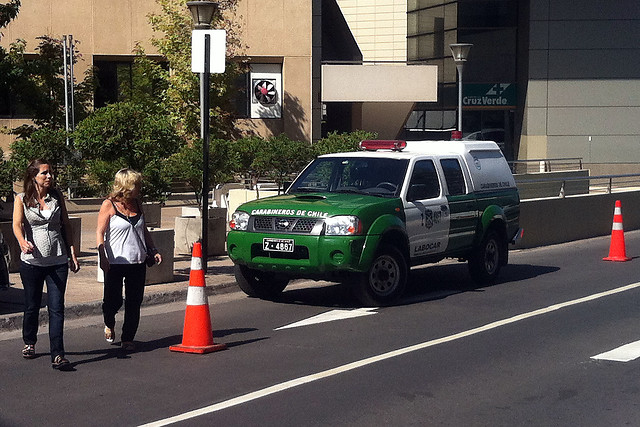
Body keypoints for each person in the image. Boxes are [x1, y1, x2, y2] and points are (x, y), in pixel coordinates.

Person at [12, 159, 80, 370]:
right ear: (34, 177)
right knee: (32, 305)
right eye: (44, 173)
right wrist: (22, 242)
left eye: (50, 173)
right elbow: (16, 224)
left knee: (57, 308)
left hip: (57, 260)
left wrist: (72, 253)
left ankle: (58, 354)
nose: (49, 176)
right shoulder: (22, 199)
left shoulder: (57, 196)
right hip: (32, 262)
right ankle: (29, 342)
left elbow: (66, 225)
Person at [97, 168, 161, 352]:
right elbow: (99, 233)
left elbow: (143, 230)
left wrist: (153, 249)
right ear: (126, 185)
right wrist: (103, 257)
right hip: (115, 262)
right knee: (113, 300)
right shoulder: (109, 205)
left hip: (137, 261)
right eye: (136, 184)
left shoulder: (137, 204)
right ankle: (109, 322)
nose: (139, 188)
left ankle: (128, 338)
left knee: (134, 302)